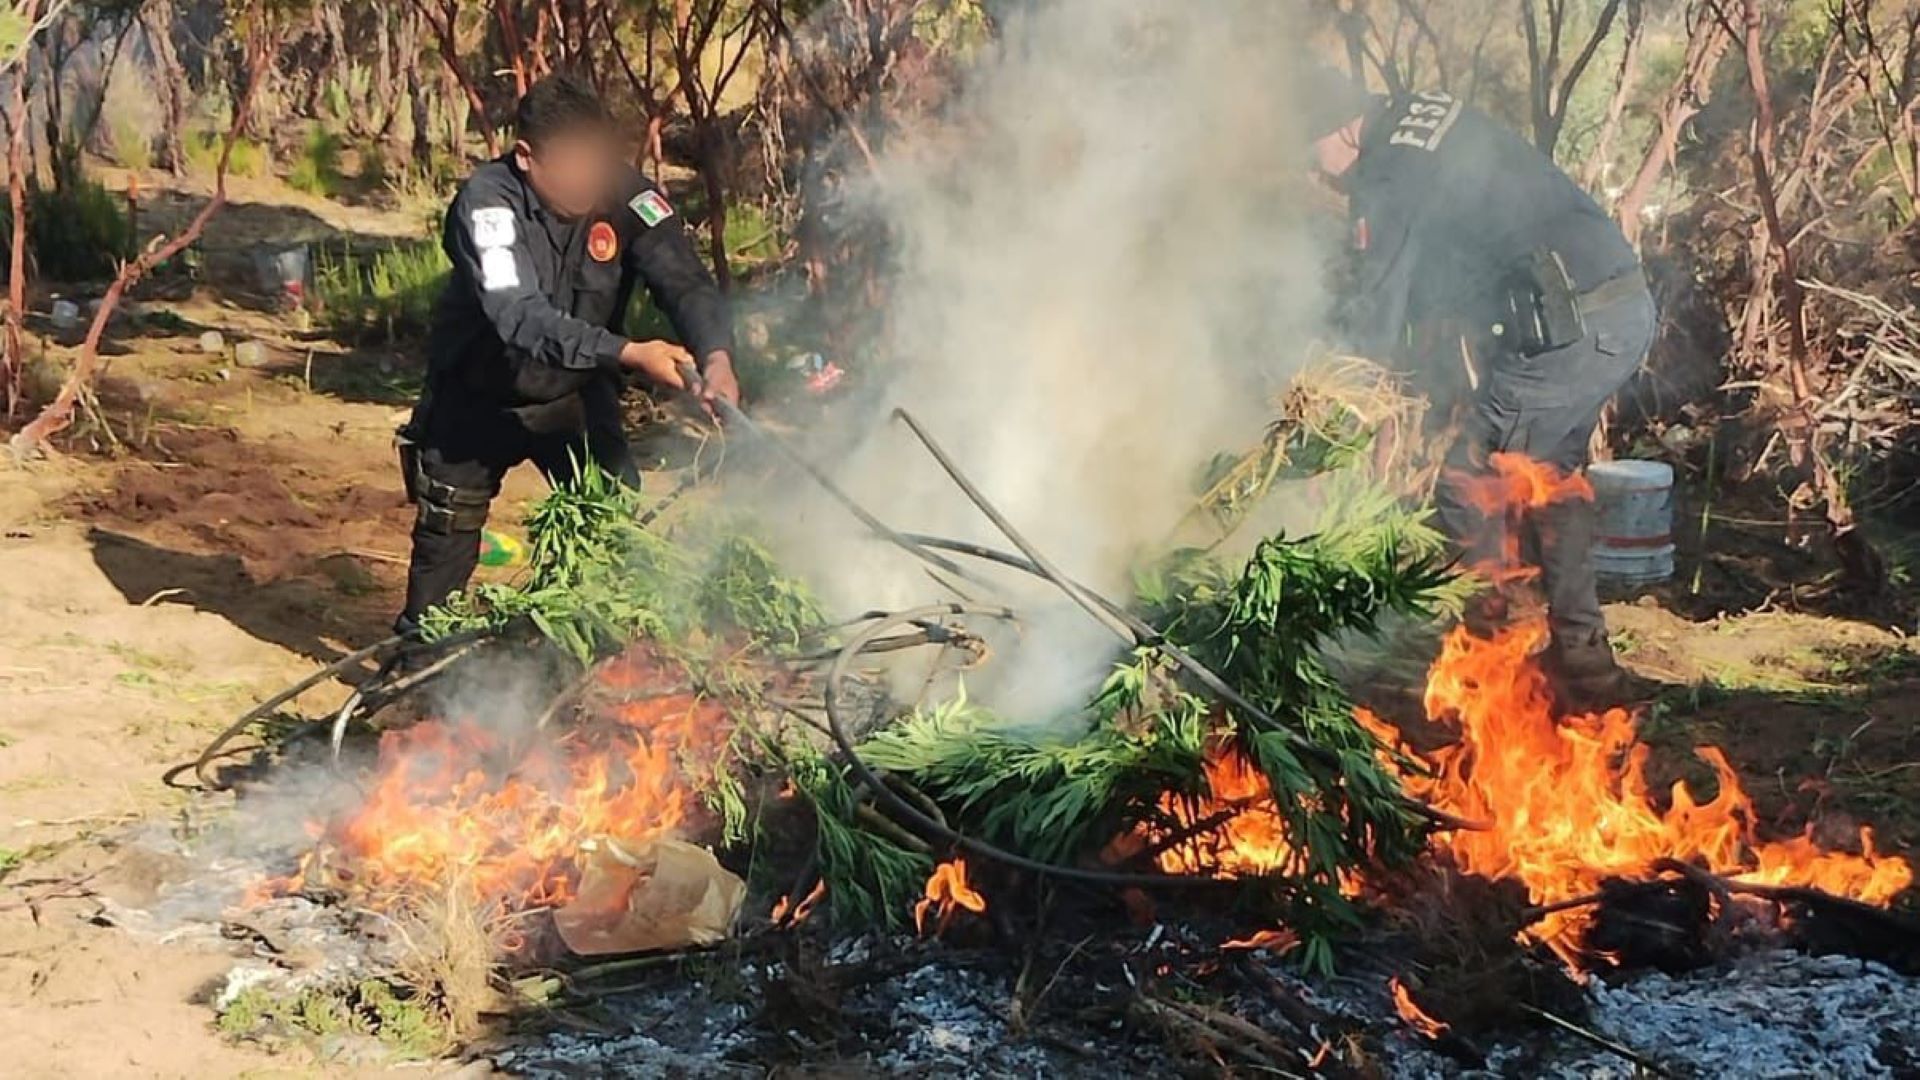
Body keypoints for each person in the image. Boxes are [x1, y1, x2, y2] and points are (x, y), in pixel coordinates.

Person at [1302, 70, 1655, 708]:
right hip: (1619, 309)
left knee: (1472, 481)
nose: (1321, 178)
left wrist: (1324, 400)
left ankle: (1496, 664)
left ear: (1339, 129)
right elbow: (1459, 256)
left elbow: (1378, 311)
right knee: (1554, 476)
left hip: (1566, 332)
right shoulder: (1420, 114)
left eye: (1313, 158)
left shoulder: (1386, 171)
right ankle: (1584, 660)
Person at [395, 74, 739, 636]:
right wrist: (630, 352)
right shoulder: (487, 206)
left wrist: (717, 355)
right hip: (475, 401)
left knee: (611, 535)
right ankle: (415, 681)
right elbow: (519, 318)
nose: (589, 180)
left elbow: (686, 282)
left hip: (575, 396)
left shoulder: (629, 196)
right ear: (527, 157)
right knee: (442, 566)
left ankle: (588, 673)